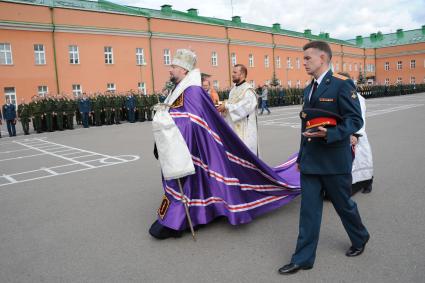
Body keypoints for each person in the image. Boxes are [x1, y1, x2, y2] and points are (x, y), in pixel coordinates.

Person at [149, 49, 301, 239]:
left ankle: (182, 219)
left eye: (173, 66)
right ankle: (184, 216)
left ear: (184, 70)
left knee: (230, 170)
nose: (170, 69)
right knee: (195, 181)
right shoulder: (178, 90)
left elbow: (194, 120)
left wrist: (168, 119)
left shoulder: (193, 91)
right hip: (186, 145)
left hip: (217, 139)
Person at [278, 41, 370, 275]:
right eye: (303, 59)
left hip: (334, 161)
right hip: (311, 161)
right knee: (308, 210)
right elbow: (305, 125)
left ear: (322, 58)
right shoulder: (309, 89)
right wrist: (301, 156)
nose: (304, 62)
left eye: (307, 58)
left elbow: (355, 121)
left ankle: (360, 237)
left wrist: (331, 133)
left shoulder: (341, 84)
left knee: (343, 205)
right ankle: (303, 258)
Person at [217, 64, 258, 155]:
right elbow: (230, 105)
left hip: (245, 132)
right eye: (233, 72)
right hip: (233, 130)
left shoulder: (248, 91)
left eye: (235, 72)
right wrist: (222, 108)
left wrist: (227, 106)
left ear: (242, 74)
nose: (232, 74)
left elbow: (243, 108)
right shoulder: (233, 90)